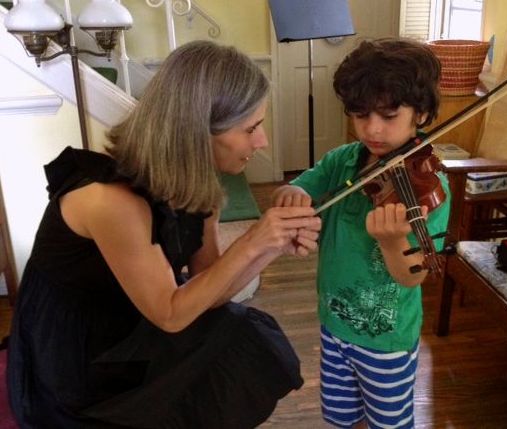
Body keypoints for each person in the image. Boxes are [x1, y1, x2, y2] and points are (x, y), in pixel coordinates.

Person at [7, 40, 321, 428]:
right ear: (197, 132)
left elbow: (210, 288)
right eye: (251, 128)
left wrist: (272, 246)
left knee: (234, 332)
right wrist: (253, 241)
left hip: (136, 317)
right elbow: (170, 315)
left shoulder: (197, 183)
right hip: (79, 353)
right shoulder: (108, 199)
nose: (262, 142)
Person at [272, 38, 451, 429]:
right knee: (341, 419)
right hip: (334, 325)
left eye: (388, 115)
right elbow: (304, 186)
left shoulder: (427, 186)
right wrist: (292, 194)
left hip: (385, 342)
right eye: (360, 114)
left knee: (388, 424)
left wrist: (392, 240)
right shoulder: (343, 162)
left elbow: (414, 274)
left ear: (421, 113)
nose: (372, 128)